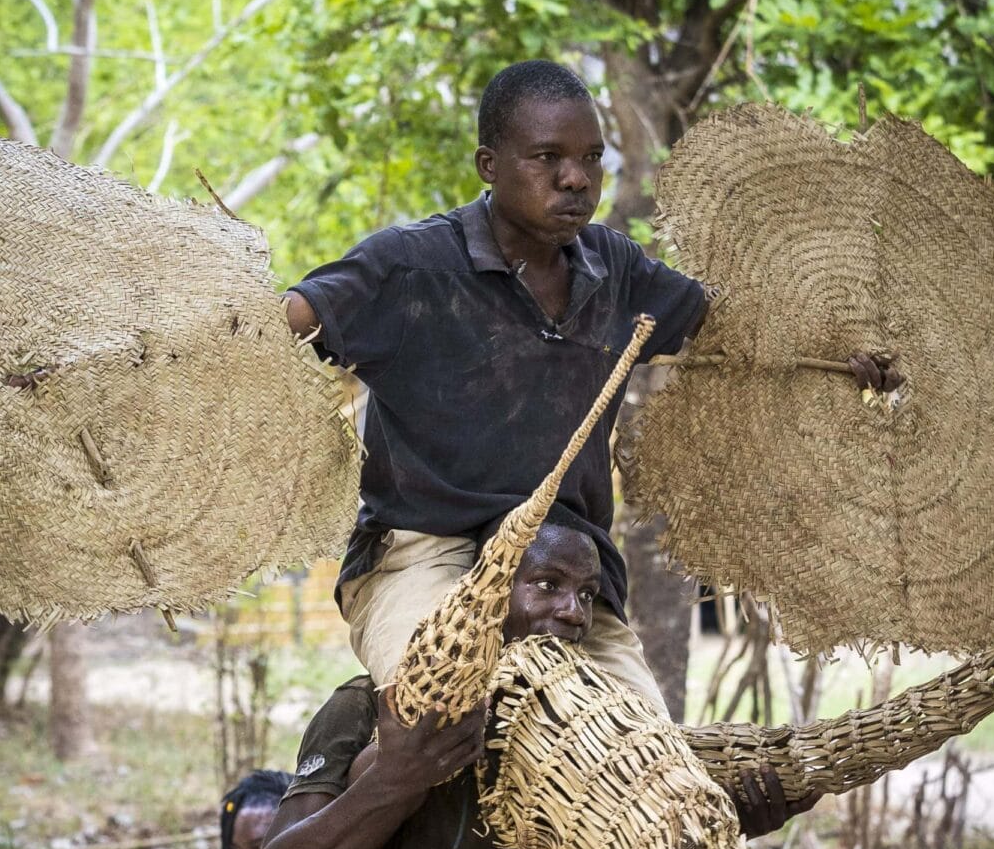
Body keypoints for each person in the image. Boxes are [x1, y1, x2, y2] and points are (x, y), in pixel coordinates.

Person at [282, 59, 898, 719]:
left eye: (591, 159)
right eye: (547, 158)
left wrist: (840, 348)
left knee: (648, 761)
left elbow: (730, 329)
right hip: (425, 556)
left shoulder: (617, 269)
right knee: (433, 714)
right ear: (489, 165)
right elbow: (282, 324)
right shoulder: (409, 266)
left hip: (566, 573)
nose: (575, 179)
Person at [247, 521, 812, 849]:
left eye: (588, 595)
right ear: (489, 593)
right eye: (546, 585)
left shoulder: (620, 729)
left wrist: (721, 826)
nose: (572, 613)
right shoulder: (375, 707)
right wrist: (396, 776)